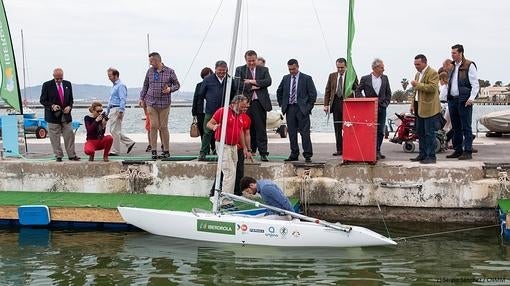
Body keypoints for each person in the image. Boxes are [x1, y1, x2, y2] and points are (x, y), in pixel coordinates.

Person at [207, 95, 252, 197]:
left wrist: (245, 147)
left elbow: (240, 131)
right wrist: (214, 127)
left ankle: (228, 196)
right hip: (224, 145)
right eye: (242, 107)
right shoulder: (223, 111)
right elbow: (209, 123)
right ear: (234, 104)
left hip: (234, 146)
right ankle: (226, 200)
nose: (243, 110)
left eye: (245, 107)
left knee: (233, 172)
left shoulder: (239, 115)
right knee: (229, 172)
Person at [139, 52, 180, 159]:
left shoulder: (170, 71)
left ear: (157, 60)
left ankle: (166, 150)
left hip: (164, 103)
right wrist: (141, 98)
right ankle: (153, 150)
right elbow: (145, 86)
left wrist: (170, 89)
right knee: (153, 126)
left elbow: (177, 85)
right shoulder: (150, 71)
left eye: (151, 61)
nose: (150, 63)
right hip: (151, 102)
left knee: (163, 127)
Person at [276, 59, 317, 163]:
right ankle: (294, 153)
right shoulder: (285, 78)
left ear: (298, 67)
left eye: (293, 69)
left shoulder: (306, 78)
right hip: (290, 109)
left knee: (305, 133)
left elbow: (313, 94)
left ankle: (307, 154)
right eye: (289, 69)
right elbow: (279, 91)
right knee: (292, 133)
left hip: (302, 109)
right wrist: (282, 104)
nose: (291, 71)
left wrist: (308, 108)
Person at [234, 50, 272, 162]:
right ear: (245, 60)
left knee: (261, 128)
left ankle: (263, 152)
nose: (251, 63)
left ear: (256, 59)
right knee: (245, 128)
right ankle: (245, 150)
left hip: (259, 103)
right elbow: (237, 84)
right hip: (245, 104)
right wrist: (252, 87)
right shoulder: (240, 69)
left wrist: (252, 81)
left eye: (253, 60)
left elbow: (268, 82)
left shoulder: (264, 70)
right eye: (249, 61)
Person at [446, 44, 479, 160]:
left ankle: (468, 151)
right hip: (453, 100)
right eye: (451, 53)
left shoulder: (469, 65)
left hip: (464, 100)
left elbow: (475, 84)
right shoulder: (452, 66)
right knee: (456, 127)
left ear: (460, 53)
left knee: (466, 126)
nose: (452, 55)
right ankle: (458, 149)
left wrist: (471, 98)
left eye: (454, 53)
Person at [39, 68, 80, 162]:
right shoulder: (47, 85)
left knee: (69, 134)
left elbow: (71, 99)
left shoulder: (67, 84)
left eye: (60, 78)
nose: (59, 80)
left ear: (63, 76)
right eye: (57, 79)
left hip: (66, 115)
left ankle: (72, 155)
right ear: (53, 76)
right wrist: (52, 106)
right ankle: (58, 155)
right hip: (53, 116)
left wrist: (69, 107)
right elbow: (42, 100)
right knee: (54, 137)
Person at [355, 58, 392, 160]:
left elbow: (388, 93)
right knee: (370, 130)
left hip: (382, 108)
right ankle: (369, 150)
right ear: (375, 68)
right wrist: (364, 101)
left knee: (380, 130)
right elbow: (358, 91)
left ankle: (377, 150)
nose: (383, 70)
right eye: (381, 68)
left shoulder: (385, 78)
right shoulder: (365, 78)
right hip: (369, 108)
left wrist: (386, 103)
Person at [409, 54, 440, 164]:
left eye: (418, 64)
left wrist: (417, 85)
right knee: (420, 132)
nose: (416, 66)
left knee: (429, 133)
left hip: (429, 108)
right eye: (415, 64)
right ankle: (422, 154)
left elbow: (432, 88)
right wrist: (412, 104)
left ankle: (431, 156)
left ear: (424, 62)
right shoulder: (418, 74)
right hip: (419, 107)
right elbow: (415, 91)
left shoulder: (433, 73)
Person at [323, 58, 358, 156]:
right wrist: (326, 105)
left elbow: (357, 88)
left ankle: (349, 147)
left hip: (347, 104)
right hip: (336, 104)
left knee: (348, 127)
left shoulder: (351, 76)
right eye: (338, 67)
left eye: (342, 67)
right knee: (337, 128)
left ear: (346, 67)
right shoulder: (332, 76)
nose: (340, 70)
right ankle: (339, 149)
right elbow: (328, 91)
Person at [198, 61, 230, 161]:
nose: (221, 72)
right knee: (207, 131)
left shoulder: (229, 79)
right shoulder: (208, 79)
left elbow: (233, 92)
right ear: (215, 69)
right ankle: (203, 152)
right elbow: (201, 93)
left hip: (225, 110)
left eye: (223, 70)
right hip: (211, 110)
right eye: (219, 70)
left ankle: (220, 151)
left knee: (224, 131)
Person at [106, 68, 135, 156]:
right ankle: (129, 142)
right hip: (112, 109)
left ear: (116, 75)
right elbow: (110, 100)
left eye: (110, 76)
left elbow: (123, 99)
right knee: (114, 130)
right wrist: (106, 112)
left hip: (117, 109)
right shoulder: (115, 86)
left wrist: (121, 111)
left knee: (114, 131)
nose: (109, 78)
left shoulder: (121, 86)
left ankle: (116, 150)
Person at [192, 67, 215, 155]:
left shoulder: (214, 85)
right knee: (202, 130)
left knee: (212, 131)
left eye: (209, 75)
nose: (207, 77)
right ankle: (205, 149)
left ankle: (214, 148)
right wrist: (194, 112)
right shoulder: (199, 85)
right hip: (200, 111)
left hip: (211, 111)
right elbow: (195, 98)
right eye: (205, 76)